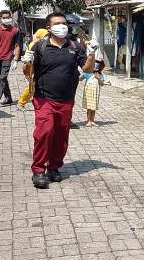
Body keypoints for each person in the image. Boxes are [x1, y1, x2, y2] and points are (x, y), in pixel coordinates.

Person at [22, 12, 97, 189]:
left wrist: (92, 54)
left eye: (64, 23)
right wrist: (27, 63)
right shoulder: (39, 47)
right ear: (49, 28)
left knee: (61, 136)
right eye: (57, 23)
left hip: (66, 99)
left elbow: (86, 70)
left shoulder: (74, 46)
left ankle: (54, 167)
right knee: (45, 133)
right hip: (43, 98)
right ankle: (39, 170)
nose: (61, 26)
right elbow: (28, 75)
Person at [0, 10, 20, 108]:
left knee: (2, 78)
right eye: (4, 17)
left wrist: (16, 60)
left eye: (8, 17)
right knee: (3, 78)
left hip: (7, 57)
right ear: (0, 18)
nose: (6, 19)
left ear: (11, 18)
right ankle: (8, 98)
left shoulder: (15, 31)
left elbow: (17, 46)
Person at [17, 28, 49, 111]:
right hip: (32, 70)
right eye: (45, 36)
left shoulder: (42, 44)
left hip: (39, 70)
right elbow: (28, 61)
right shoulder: (34, 45)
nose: (47, 37)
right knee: (31, 89)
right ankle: (20, 104)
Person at [82, 37, 104, 127]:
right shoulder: (87, 72)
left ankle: (92, 120)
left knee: (93, 106)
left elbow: (102, 83)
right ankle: (89, 120)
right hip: (88, 90)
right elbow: (81, 78)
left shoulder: (99, 74)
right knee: (89, 106)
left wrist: (98, 78)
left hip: (96, 90)